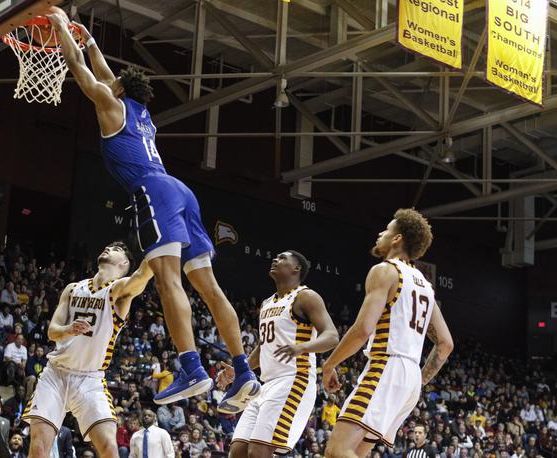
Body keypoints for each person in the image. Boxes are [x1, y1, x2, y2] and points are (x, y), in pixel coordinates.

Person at [47, 13, 259, 410]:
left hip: (152, 191)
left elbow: (80, 70)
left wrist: (61, 25)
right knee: (210, 289)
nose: (108, 83)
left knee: (168, 283)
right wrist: (91, 40)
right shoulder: (142, 116)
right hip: (181, 192)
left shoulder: (111, 104)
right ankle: (243, 371)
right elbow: (106, 73)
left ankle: (191, 367)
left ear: (119, 89)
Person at [321, 209, 454, 458]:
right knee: (355, 453)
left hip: (386, 366)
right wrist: (419, 379)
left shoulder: (385, 271)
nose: (380, 233)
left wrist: (330, 364)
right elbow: (445, 344)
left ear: (397, 239)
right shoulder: (426, 286)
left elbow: (362, 330)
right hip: (410, 377)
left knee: (336, 450)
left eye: (386, 229)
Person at [23, 242, 153, 458]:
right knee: (38, 449)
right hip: (55, 374)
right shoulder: (73, 288)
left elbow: (141, 276)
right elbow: (52, 332)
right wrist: (68, 329)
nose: (108, 248)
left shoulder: (118, 292)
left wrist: (159, 247)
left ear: (124, 263)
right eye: (108, 246)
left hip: (90, 379)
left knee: (110, 449)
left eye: (116, 249)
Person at [221, 251, 339, 457]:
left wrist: (302, 347)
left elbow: (331, 336)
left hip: (294, 379)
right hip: (265, 384)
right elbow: (263, 346)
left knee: (259, 451)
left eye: (283, 258)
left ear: (297, 268)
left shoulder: (306, 296)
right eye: (275, 257)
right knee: (237, 451)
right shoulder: (267, 303)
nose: (276, 260)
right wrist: (241, 369)